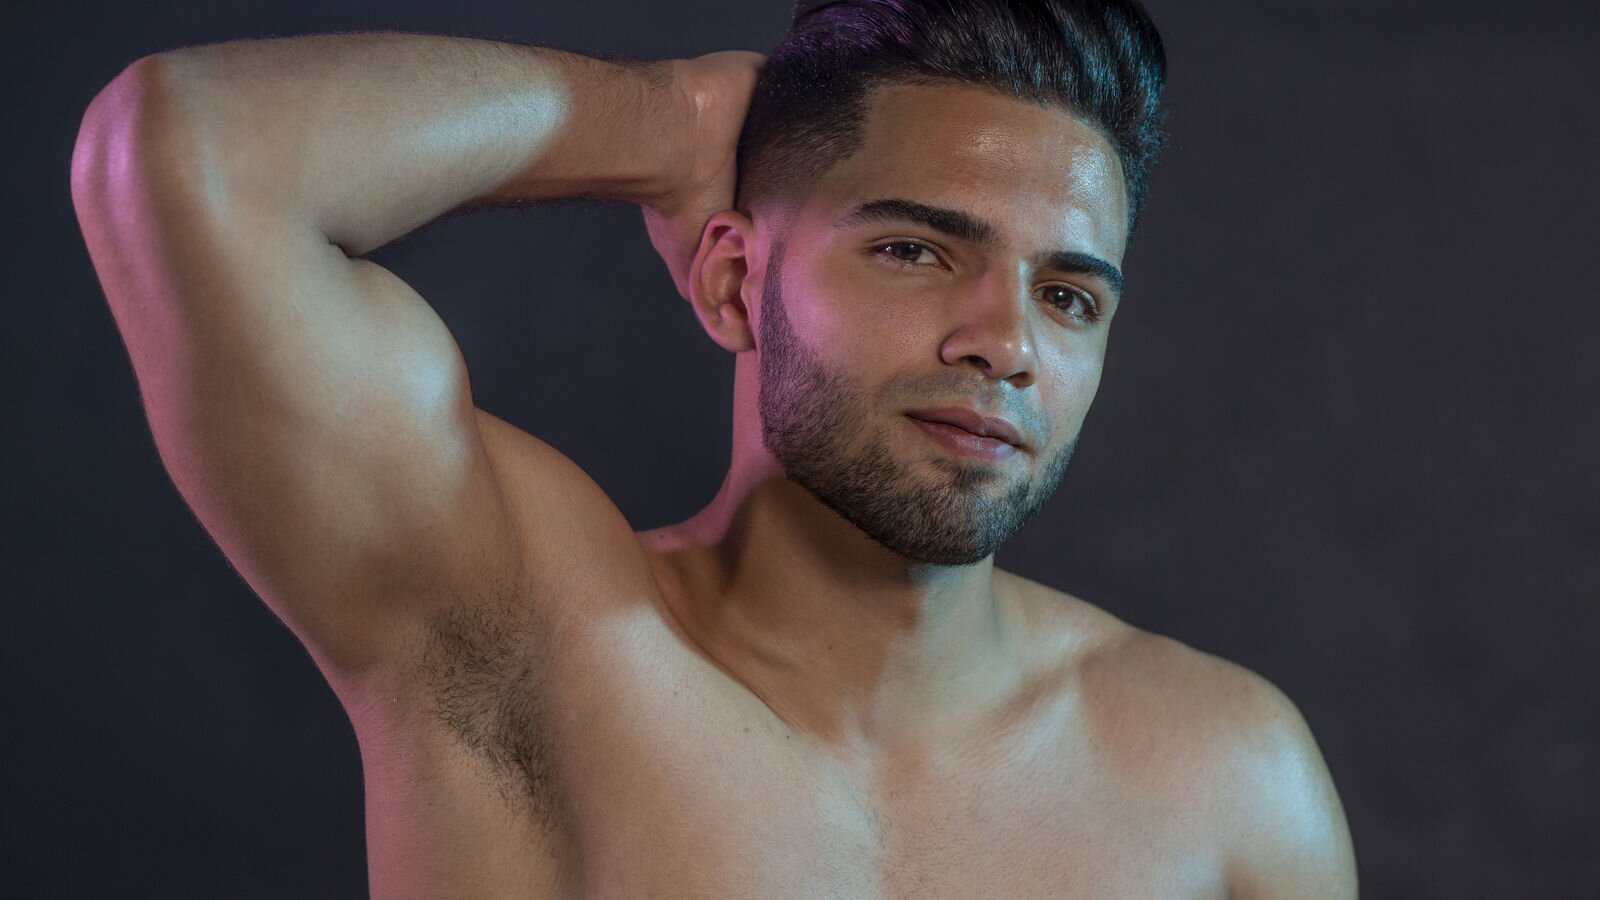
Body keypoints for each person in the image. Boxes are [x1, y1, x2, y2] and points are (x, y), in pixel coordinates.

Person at [71, 0, 1357, 895]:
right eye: (914, 249)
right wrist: (666, 119)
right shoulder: (518, 637)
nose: (1006, 343)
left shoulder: (1226, 784)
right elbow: (186, 149)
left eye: (1067, 296)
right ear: (737, 281)